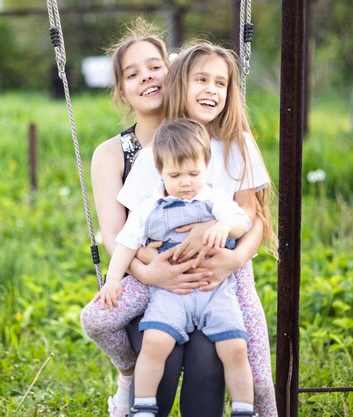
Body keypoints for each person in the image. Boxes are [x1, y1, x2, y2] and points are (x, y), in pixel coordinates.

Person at [118, 40, 278, 416]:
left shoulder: (239, 143)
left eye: (220, 83)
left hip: (227, 275)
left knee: (256, 370)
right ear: (179, 84)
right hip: (166, 273)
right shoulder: (161, 148)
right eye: (201, 79)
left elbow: (253, 217)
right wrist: (145, 260)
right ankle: (127, 384)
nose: (211, 90)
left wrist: (234, 259)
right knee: (103, 319)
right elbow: (134, 223)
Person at [80, 18, 226, 417]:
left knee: (205, 360)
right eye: (133, 73)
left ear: (172, 72)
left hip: (203, 283)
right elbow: (113, 234)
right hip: (144, 282)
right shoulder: (111, 153)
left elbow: (234, 207)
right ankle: (128, 382)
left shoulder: (200, 139)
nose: (146, 77)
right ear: (122, 90)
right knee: (160, 355)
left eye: (154, 66)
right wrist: (152, 273)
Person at [97, 118, 256, 417]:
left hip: (215, 289)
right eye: (175, 174)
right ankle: (144, 406)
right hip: (171, 292)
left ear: (206, 167)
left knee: (235, 346)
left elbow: (242, 222)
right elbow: (126, 243)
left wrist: (224, 226)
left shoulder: (214, 198)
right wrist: (114, 279)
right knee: (156, 342)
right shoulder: (149, 208)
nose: (185, 182)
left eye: (194, 173)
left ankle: (243, 409)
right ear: (160, 172)